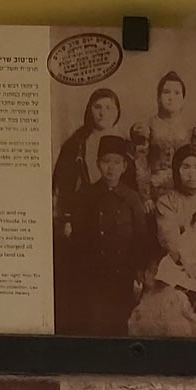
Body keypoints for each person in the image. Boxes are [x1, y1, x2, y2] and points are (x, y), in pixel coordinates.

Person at [52, 89, 136, 331]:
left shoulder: (125, 144)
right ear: (90, 110)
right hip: (84, 212)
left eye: (109, 107)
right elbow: (64, 185)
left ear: (118, 111)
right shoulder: (77, 142)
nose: (103, 113)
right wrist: (67, 217)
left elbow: (131, 187)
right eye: (98, 107)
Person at [68, 135, 148, 336]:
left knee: (121, 324)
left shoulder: (132, 198)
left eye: (116, 163)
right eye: (105, 162)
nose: (110, 168)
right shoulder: (86, 195)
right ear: (97, 164)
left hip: (123, 273)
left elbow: (141, 238)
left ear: (124, 167)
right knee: (95, 324)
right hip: (94, 274)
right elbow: (79, 239)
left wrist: (138, 273)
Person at [129, 203, 196, 339]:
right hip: (190, 274)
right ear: (192, 226)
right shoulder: (189, 238)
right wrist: (189, 263)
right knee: (176, 297)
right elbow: (182, 252)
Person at [132, 71, 196, 204]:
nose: (171, 97)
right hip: (156, 190)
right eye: (166, 92)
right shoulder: (147, 126)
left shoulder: (192, 128)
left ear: (183, 99)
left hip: (185, 189)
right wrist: (145, 197)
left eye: (177, 93)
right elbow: (141, 164)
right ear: (159, 97)